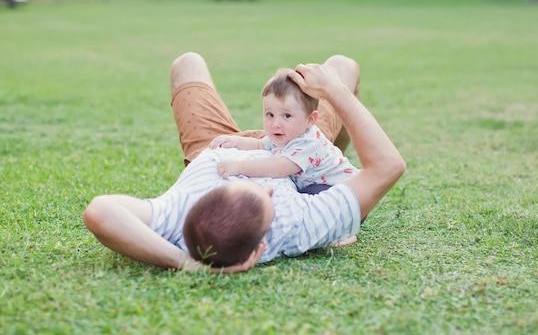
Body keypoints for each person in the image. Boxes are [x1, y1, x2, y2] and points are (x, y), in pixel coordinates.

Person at [82, 52, 405, 274]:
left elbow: (100, 212)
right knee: (341, 66)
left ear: (205, 201)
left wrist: (188, 263)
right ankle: (335, 159)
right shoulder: (296, 224)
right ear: (260, 248)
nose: (267, 191)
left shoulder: (175, 216)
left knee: (187, 63)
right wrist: (332, 90)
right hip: (297, 145)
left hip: (216, 147)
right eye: (268, 196)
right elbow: (387, 167)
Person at [209, 68, 359, 190]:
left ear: (310, 120)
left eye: (287, 116)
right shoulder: (285, 135)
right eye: (270, 114)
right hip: (320, 185)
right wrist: (235, 141)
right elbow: (259, 144)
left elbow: (279, 167)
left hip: (345, 190)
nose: (276, 124)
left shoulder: (308, 144)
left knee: (309, 195)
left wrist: (239, 167)